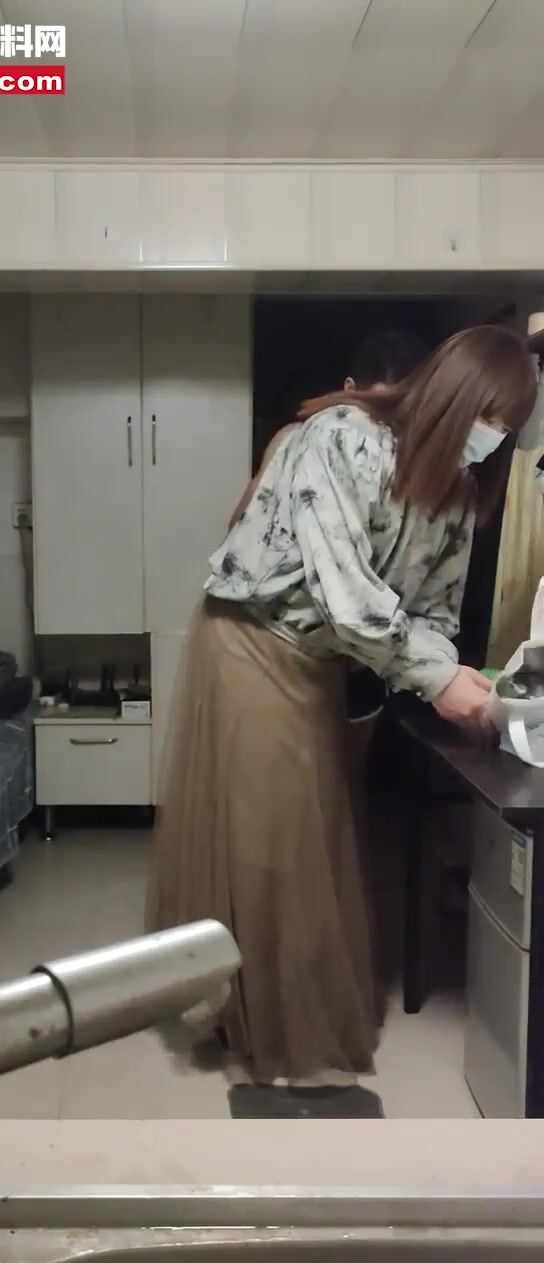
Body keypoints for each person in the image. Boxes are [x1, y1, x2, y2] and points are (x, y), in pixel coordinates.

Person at [148, 325, 536, 1090]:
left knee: (313, 829)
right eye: (490, 418)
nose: (493, 438)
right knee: (269, 835)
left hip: (325, 660)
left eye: (508, 428)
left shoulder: (459, 491)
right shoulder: (340, 437)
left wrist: (454, 674)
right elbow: (345, 593)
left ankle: (271, 1005)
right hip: (252, 641)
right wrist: (438, 679)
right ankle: (263, 1023)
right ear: (453, 396)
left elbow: (434, 611)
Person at [230, 330, 428, 772]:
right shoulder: (302, 438)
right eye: (379, 407)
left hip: (366, 652)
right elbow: (240, 531)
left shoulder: (410, 459)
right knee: (293, 774)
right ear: (350, 390)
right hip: (301, 647)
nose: (386, 425)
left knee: (345, 777)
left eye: (401, 412)